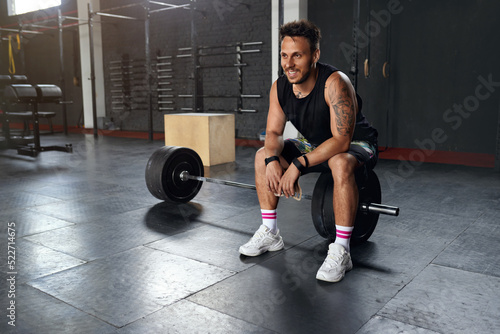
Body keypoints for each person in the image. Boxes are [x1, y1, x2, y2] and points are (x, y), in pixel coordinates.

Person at [239, 19, 378, 283]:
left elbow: (341, 140)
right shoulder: (280, 87)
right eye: (284, 55)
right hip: (315, 144)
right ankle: (270, 232)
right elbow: (273, 134)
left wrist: (297, 165)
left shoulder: (335, 83)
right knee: (261, 156)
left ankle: (342, 250)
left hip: (356, 143)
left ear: (315, 55)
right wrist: (271, 160)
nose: (288, 64)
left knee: (339, 162)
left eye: (297, 56)